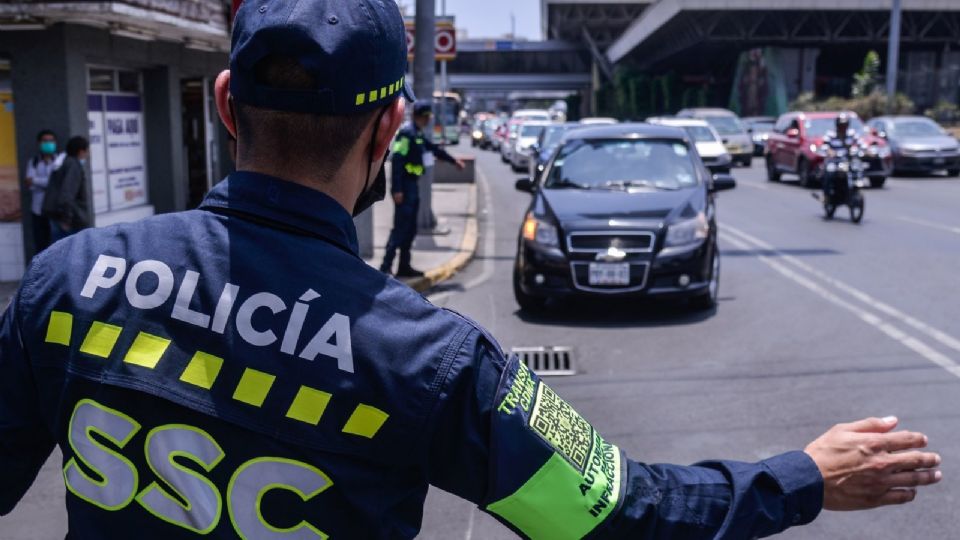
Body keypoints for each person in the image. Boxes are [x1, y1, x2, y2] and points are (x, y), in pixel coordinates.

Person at [0, 1, 941, 538]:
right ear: (388, 129)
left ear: (224, 106)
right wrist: (803, 475)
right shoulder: (424, 357)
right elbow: (614, 512)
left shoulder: (70, 275)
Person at [379, 100, 464, 277]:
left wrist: (453, 160)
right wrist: (397, 189)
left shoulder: (417, 134)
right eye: (426, 117)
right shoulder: (406, 134)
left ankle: (404, 266)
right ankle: (385, 267)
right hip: (405, 187)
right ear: (419, 116)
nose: (428, 121)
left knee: (410, 229)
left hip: (413, 186)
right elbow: (397, 161)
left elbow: (433, 149)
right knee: (400, 229)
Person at [42, 135, 90, 242]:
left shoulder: (62, 161)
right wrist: (66, 220)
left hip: (57, 215)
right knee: (70, 253)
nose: (87, 155)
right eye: (87, 151)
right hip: (68, 220)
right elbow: (66, 194)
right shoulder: (73, 165)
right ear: (81, 152)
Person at [23, 129, 64, 253]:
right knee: (41, 245)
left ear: (55, 142)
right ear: (39, 143)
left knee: (58, 245)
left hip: (56, 210)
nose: (48, 143)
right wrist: (48, 183)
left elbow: (58, 183)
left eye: (51, 140)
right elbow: (29, 184)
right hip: (38, 210)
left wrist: (36, 180)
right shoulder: (34, 162)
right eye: (45, 141)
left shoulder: (60, 161)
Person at [821, 112, 863, 200]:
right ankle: (826, 196)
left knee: (857, 168)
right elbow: (825, 146)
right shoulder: (831, 135)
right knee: (829, 174)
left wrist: (866, 150)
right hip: (835, 161)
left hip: (848, 161)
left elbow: (860, 144)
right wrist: (830, 152)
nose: (843, 127)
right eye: (841, 125)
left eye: (844, 125)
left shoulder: (851, 134)